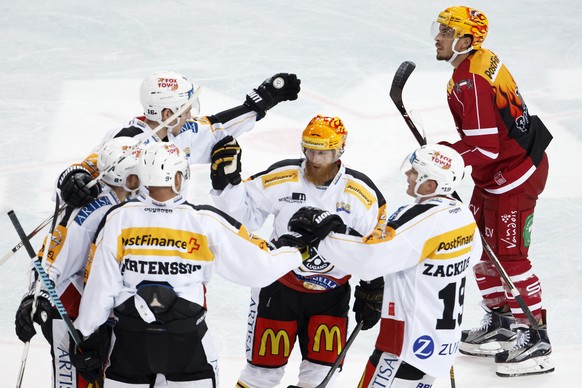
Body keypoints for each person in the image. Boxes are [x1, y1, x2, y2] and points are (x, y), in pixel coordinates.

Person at [68, 142, 305, 387]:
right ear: (178, 179)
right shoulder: (204, 221)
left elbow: (101, 287)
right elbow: (259, 267)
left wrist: (84, 333)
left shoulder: (118, 218)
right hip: (188, 345)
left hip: (130, 346)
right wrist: (300, 250)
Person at [210, 115, 387, 388]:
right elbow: (246, 216)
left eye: (323, 152)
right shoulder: (284, 176)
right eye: (310, 150)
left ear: (340, 150)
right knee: (261, 372)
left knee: (319, 374)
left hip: (331, 294)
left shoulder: (361, 192)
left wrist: (373, 285)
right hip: (278, 289)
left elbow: (375, 245)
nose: (315, 159)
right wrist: (227, 184)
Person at [288, 144, 483, 387]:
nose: (408, 175)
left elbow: (371, 259)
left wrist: (327, 233)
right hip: (440, 344)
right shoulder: (462, 215)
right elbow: (472, 257)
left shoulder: (421, 219)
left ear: (430, 185)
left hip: (404, 346)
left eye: (414, 171)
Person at [431, 5, 554, 376]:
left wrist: (442, 156)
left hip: (513, 175)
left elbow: (485, 148)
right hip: (497, 172)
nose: (438, 37)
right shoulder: (477, 62)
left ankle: (535, 336)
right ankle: (501, 321)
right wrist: (447, 152)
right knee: (480, 246)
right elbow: (485, 144)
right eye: (440, 30)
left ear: (466, 41)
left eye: (446, 33)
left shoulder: (473, 80)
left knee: (510, 256)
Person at [59, 70, 301, 209]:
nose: (190, 114)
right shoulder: (127, 141)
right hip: (127, 238)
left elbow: (216, 126)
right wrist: (73, 180)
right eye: (185, 109)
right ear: (167, 114)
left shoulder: (176, 132)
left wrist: (260, 102)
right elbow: (85, 170)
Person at [14, 137, 142, 388]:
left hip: (94, 320)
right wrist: (34, 297)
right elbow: (51, 260)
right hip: (69, 318)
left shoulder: (119, 203)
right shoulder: (91, 213)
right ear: (127, 177)